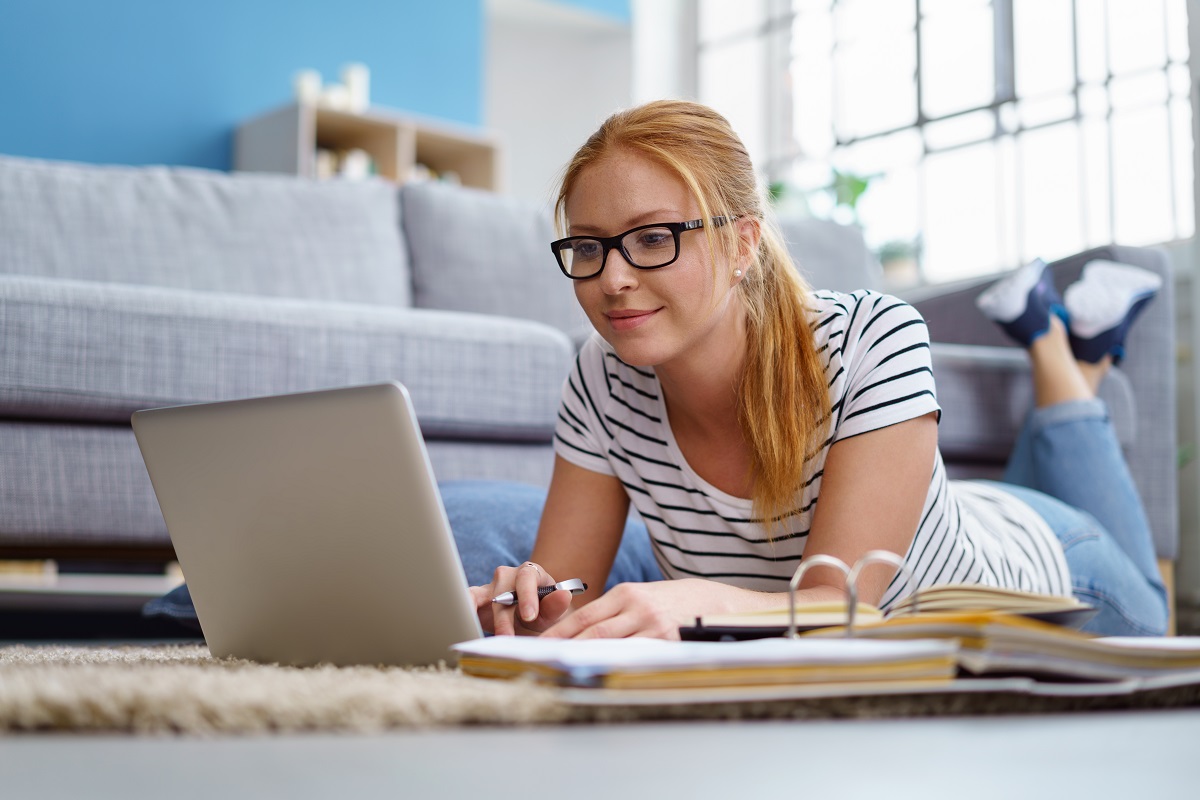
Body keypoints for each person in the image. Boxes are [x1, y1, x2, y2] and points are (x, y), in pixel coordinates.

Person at [461, 99, 1168, 640]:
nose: (612, 279)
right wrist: (532, 608)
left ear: (742, 244)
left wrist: (694, 603)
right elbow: (570, 600)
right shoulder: (600, 377)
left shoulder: (872, 337)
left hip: (1054, 574)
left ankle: (1054, 346)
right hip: (946, 519)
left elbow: (846, 608)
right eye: (588, 247)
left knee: (1156, 607)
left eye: (653, 238)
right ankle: (1077, 352)